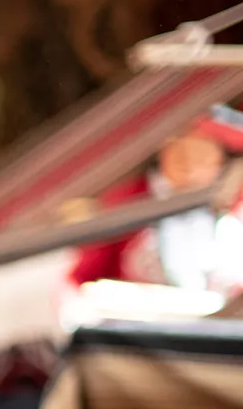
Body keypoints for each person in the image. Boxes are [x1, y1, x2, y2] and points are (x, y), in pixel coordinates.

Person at [69, 105, 243, 292]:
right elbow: (82, 279)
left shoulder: (233, 201)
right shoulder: (127, 200)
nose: (189, 166)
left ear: (219, 160)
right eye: (180, 155)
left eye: (201, 157)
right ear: (164, 153)